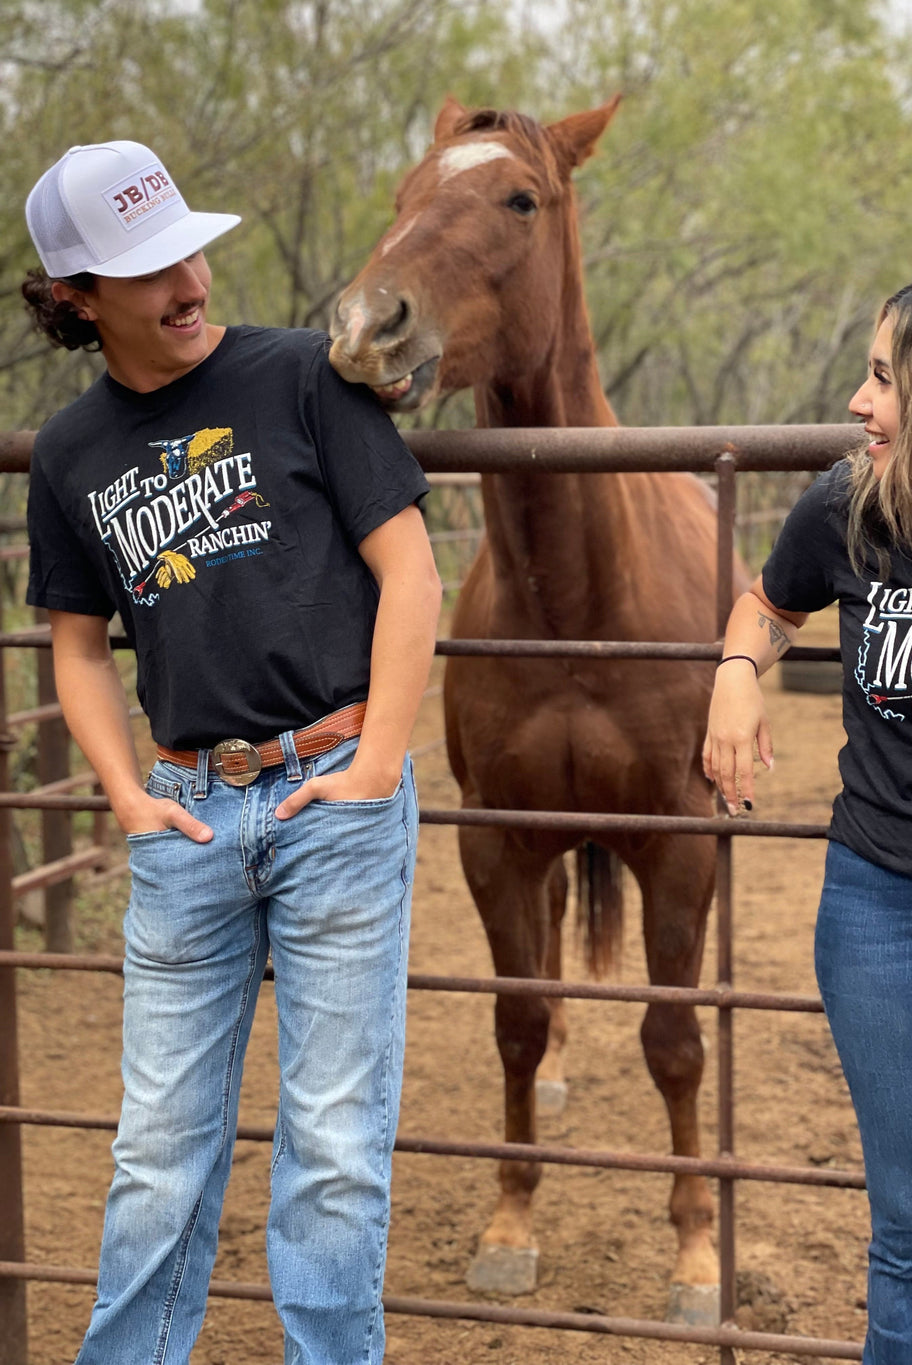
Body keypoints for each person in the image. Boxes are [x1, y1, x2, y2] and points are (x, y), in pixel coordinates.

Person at [22, 139, 442, 1365]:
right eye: (149, 268)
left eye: (190, 249)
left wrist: (374, 769)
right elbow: (80, 646)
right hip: (188, 813)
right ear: (74, 300)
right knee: (155, 1149)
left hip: (334, 795)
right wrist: (123, 794)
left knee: (330, 1148)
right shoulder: (69, 455)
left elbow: (409, 570)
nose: (188, 280)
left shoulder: (301, 379)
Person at [703, 259, 912, 1363]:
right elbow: (767, 602)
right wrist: (738, 670)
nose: (857, 401)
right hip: (886, 915)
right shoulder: (848, 505)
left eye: (884, 378)